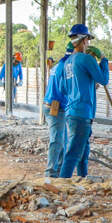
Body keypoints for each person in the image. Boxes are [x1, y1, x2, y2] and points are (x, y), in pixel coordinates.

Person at [58, 25, 109, 179]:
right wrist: (103, 60)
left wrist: (86, 83)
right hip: (82, 113)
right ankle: (61, 183)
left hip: (72, 112)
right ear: (84, 40)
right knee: (73, 152)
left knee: (83, 150)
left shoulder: (67, 62)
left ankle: (83, 179)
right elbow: (103, 79)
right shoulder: (86, 59)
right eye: (87, 39)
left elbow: (63, 89)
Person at [43, 42, 74, 178]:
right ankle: (50, 173)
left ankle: (60, 171)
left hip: (55, 106)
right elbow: (64, 89)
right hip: (55, 107)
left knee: (63, 141)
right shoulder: (66, 68)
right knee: (57, 141)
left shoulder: (59, 65)